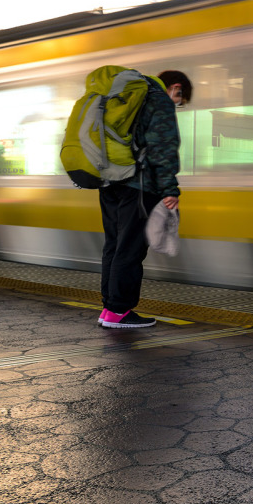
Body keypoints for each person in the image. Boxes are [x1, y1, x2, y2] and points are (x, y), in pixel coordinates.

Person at [97, 70, 190, 328]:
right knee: (131, 248)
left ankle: (109, 309)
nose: (177, 104)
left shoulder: (128, 97)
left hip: (110, 182)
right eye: (180, 99)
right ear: (176, 88)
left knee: (114, 245)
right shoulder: (159, 99)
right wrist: (170, 189)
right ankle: (119, 311)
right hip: (139, 185)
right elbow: (163, 148)